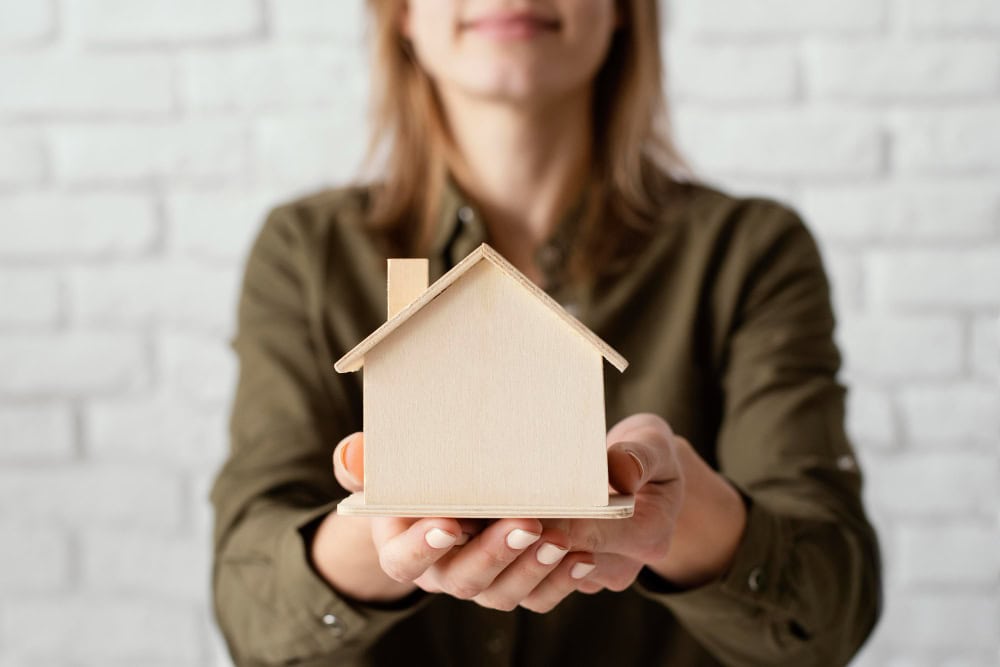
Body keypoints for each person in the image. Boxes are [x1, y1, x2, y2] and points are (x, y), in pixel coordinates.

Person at [210, 1, 882, 665]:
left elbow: (829, 615)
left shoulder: (750, 251)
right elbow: (250, 609)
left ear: (621, 9)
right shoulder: (304, 252)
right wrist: (387, 526)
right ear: (403, 13)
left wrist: (681, 517)